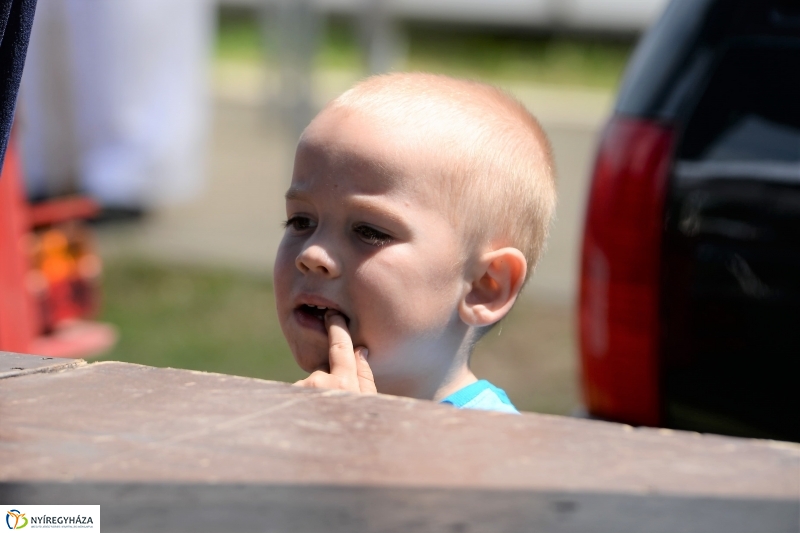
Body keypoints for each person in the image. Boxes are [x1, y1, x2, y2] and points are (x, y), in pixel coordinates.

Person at [273, 73, 556, 414]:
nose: (312, 255)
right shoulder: (309, 408)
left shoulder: (492, 445)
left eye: (369, 231)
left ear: (485, 286)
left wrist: (346, 442)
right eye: (301, 221)